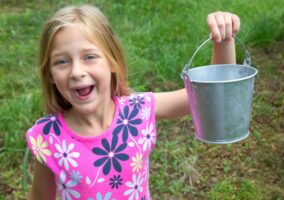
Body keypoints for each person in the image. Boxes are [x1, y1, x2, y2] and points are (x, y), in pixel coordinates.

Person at [26, 4, 240, 200]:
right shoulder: (49, 138)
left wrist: (224, 41)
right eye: (62, 61)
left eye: (89, 56)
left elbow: (209, 99)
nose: (76, 72)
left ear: (112, 61)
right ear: (51, 75)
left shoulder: (138, 112)